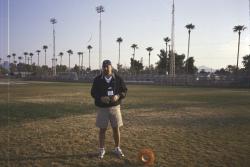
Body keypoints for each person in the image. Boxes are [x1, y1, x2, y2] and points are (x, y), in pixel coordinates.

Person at [91, 60, 128, 159]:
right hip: (102, 108)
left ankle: (117, 148)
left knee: (116, 128)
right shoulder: (97, 79)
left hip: (115, 107)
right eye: (104, 67)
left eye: (107, 66)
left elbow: (124, 91)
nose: (105, 68)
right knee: (102, 129)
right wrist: (100, 98)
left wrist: (118, 96)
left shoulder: (118, 79)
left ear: (111, 67)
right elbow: (93, 92)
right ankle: (102, 149)